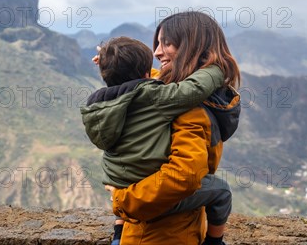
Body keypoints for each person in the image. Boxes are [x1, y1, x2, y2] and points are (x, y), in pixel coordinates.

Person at [81, 36, 239, 245]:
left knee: (126, 160)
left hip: (121, 180)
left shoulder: (101, 105)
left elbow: (141, 84)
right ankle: (215, 242)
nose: (157, 52)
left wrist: (113, 62)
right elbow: (193, 89)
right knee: (221, 190)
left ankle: (118, 231)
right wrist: (217, 69)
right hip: (147, 203)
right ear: (146, 74)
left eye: (167, 43)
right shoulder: (161, 101)